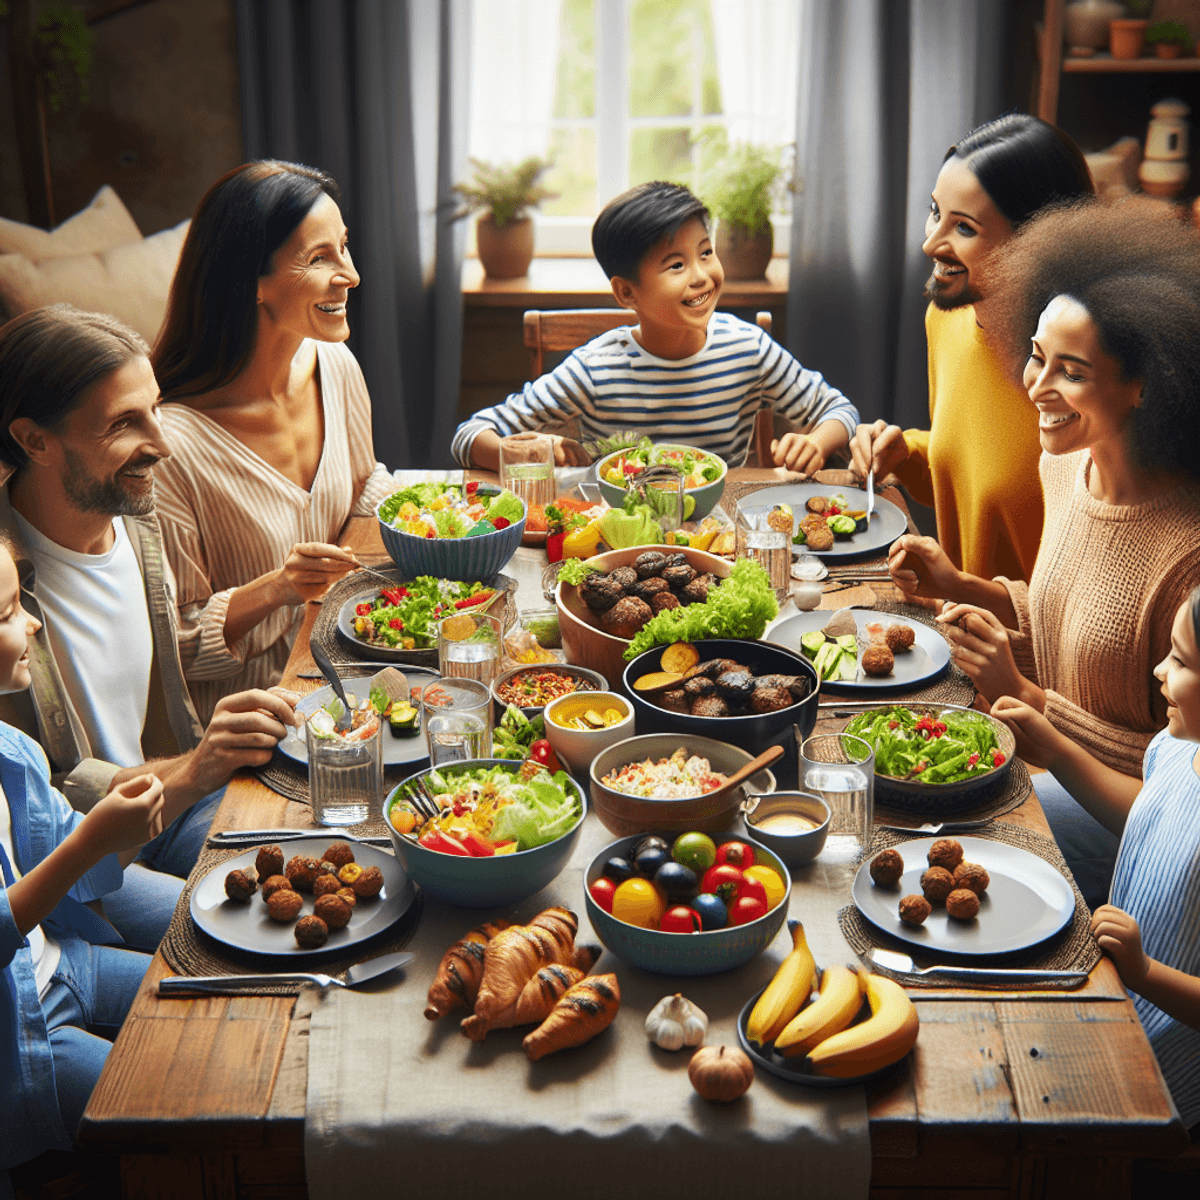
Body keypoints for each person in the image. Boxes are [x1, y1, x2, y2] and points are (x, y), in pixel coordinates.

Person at [887, 198, 1200, 908]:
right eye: (1035, 356)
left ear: (1147, 384)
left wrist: (1030, 700)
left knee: (935, 827)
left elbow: (1181, 785)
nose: (1037, 387)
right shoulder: (1066, 465)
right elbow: (1065, 610)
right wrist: (963, 584)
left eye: (1073, 372)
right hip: (1051, 761)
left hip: (1136, 828)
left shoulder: (1189, 555)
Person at [0, 305, 300, 948]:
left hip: (166, 803)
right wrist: (196, 768)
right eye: (124, 423)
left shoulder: (137, 517)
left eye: (155, 408)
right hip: (75, 862)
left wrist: (277, 594)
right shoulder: (2, 581)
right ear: (34, 440)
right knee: (249, 934)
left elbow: (168, 658)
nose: (161, 444)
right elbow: (35, 799)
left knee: (317, 835)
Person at [150, 161, 396, 725]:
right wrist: (277, 588)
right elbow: (177, 651)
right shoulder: (170, 448)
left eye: (344, 247)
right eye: (318, 259)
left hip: (356, 688)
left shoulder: (334, 365)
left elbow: (365, 489)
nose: (351, 275)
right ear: (251, 282)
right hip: (254, 734)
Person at [451, 181, 859, 473]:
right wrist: (523, 453)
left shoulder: (748, 349)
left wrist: (815, 443)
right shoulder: (595, 370)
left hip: (721, 540)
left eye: (706, 252)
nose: (700, 275)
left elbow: (840, 411)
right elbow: (469, 437)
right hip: (620, 547)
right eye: (676, 265)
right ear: (627, 293)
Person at [989, 586, 1200, 1130]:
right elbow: (1153, 815)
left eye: (1179, 660)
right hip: (1112, 980)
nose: (1160, 668)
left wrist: (1145, 972)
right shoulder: (1178, 748)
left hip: (1160, 1054)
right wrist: (1056, 750)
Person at [850, 114, 1094, 583]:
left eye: (964, 228)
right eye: (935, 212)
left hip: (1027, 653)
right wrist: (906, 451)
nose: (929, 242)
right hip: (956, 632)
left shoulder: (1080, 377)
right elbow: (972, 461)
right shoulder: (947, 320)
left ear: (1036, 244)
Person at [0, 532, 168, 1170]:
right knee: (170, 1101)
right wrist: (93, 841)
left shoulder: (11, 752)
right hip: (18, 1037)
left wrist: (115, 834)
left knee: (216, 1003)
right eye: (8, 614)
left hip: (70, 964)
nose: (33, 622)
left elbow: (80, 862)